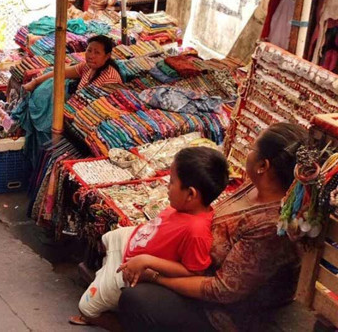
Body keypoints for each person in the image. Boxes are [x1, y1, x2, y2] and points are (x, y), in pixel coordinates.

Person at [117, 123, 307, 332]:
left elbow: (221, 290)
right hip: (196, 269)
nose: (248, 152)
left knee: (136, 299)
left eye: (252, 148)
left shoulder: (271, 227)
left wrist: (157, 277)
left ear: (263, 165)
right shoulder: (255, 187)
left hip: (224, 314)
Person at [71, 147, 228, 329]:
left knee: (86, 309)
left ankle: (122, 324)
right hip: (132, 245)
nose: (167, 187)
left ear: (191, 194)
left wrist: (147, 260)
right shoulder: (184, 208)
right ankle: (105, 277)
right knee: (108, 238)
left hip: (134, 267)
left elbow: (193, 271)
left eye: (172, 182)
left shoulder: (196, 231)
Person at [24, 35, 122, 92]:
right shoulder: (87, 66)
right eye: (89, 50)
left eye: (97, 53)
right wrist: (35, 82)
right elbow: (60, 73)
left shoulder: (110, 79)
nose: (91, 56)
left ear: (107, 56)